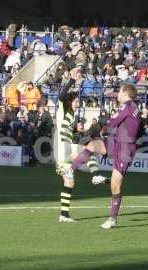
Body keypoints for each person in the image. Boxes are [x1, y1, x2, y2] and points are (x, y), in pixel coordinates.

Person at [58, 85, 141, 228]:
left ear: (125, 94)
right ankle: (71, 169)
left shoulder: (127, 107)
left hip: (125, 148)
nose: (118, 95)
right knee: (92, 145)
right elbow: (118, 97)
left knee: (115, 185)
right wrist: (112, 93)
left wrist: (104, 127)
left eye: (120, 92)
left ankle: (112, 219)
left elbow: (114, 122)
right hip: (117, 142)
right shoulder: (131, 105)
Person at [55, 78, 107, 223]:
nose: (78, 104)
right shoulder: (64, 110)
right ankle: (96, 175)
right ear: (70, 101)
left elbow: (68, 130)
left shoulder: (72, 116)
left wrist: (76, 130)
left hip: (66, 148)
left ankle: (63, 215)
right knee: (88, 149)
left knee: (69, 184)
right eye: (76, 101)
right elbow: (61, 96)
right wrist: (72, 80)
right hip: (63, 149)